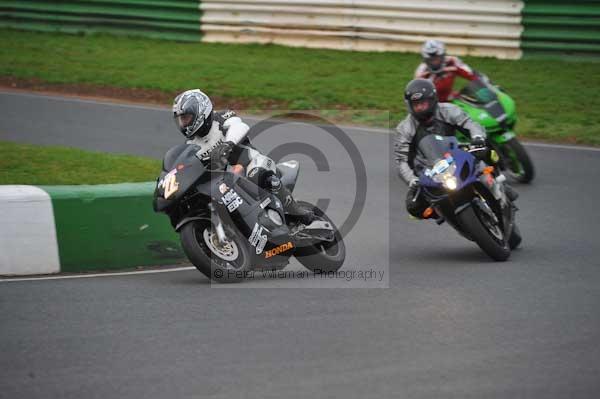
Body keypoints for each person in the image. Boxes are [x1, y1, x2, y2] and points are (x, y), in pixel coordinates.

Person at [172, 89, 314, 224]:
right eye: (181, 120)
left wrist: (228, 144)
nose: (184, 124)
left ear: (200, 111)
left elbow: (240, 127)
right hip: (224, 183)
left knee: (257, 174)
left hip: (250, 164)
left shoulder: (221, 118)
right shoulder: (190, 145)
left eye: (186, 118)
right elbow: (187, 166)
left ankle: (297, 211)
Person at [394, 78, 516, 219]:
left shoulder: (448, 110)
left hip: (456, 154)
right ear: (409, 106)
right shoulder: (404, 128)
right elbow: (401, 160)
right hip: (429, 170)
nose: (420, 108)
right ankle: (444, 214)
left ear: (432, 99)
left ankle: (500, 183)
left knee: (486, 151)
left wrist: (477, 137)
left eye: (423, 103)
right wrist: (412, 180)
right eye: (416, 105)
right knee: (413, 207)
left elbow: (470, 123)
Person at [415, 39, 479, 102]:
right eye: (431, 59)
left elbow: (471, 74)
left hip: (450, 98)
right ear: (425, 59)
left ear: (443, 55)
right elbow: (418, 95)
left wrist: (480, 82)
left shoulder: (452, 61)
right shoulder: (422, 71)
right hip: (431, 103)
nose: (434, 62)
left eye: (437, 58)